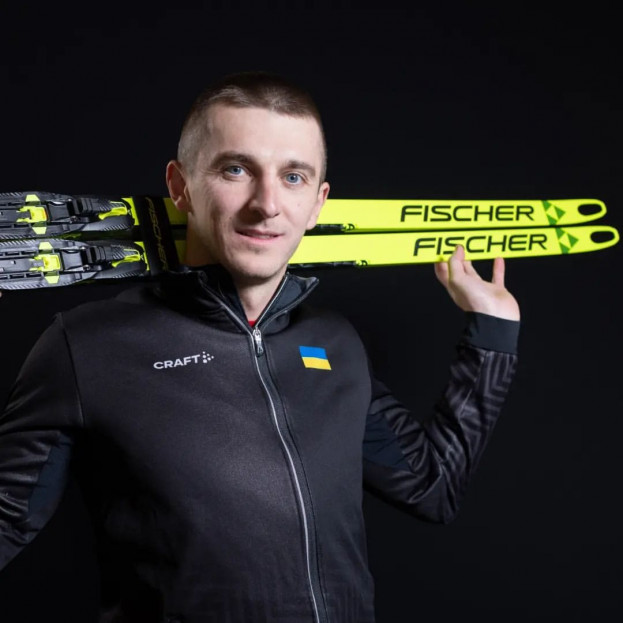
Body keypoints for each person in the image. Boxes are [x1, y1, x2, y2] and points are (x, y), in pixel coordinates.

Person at [0, 71, 520, 622]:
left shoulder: (334, 344)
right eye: (236, 169)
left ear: (318, 203)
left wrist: (494, 331)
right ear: (180, 186)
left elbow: (432, 489)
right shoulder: (88, 347)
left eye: (293, 177)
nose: (267, 204)